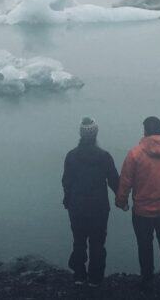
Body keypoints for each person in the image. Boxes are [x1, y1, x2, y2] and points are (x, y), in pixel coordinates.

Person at [115, 116, 160, 292]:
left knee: (145, 245)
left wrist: (121, 201)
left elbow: (125, 181)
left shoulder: (135, 154)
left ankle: (147, 279)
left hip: (142, 211)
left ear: (145, 131)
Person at [61, 117, 119, 288]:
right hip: (99, 208)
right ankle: (95, 278)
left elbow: (66, 181)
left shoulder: (71, 156)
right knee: (97, 242)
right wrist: (122, 199)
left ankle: (79, 275)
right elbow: (114, 181)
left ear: (81, 134)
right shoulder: (104, 157)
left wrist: (68, 199)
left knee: (79, 241)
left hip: (77, 206)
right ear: (95, 134)